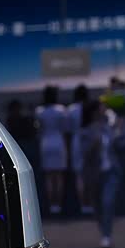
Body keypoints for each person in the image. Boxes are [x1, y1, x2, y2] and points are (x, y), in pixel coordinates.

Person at [81, 102, 125, 248]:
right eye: (101, 108)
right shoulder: (86, 131)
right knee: (97, 205)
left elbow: (119, 145)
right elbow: (84, 153)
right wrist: (93, 145)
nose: (104, 111)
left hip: (111, 171)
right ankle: (104, 232)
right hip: (95, 174)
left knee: (107, 202)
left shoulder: (108, 128)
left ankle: (106, 236)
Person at [35, 86, 69, 216]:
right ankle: (58, 205)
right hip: (59, 141)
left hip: (46, 142)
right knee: (59, 176)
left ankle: (51, 205)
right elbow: (65, 129)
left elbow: (39, 130)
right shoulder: (61, 110)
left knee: (49, 177)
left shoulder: (40, 111)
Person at [68, 84, 90, 213]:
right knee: (88, 173)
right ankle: (89, 203)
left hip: (76, 140)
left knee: (79, 175)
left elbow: (68, 128)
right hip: (88, 139)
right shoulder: (90, 107)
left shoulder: (71, 109)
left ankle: (83, 205)